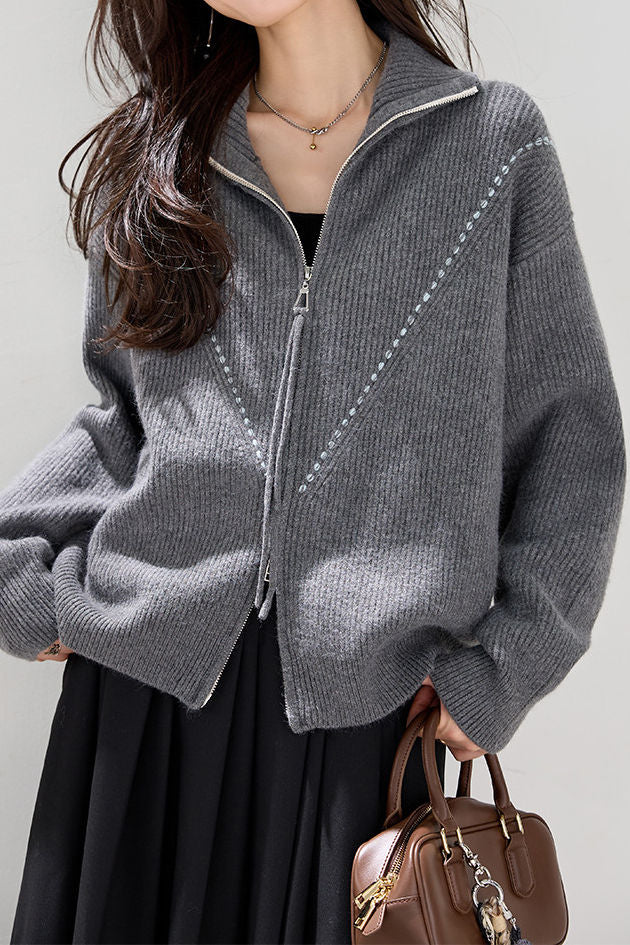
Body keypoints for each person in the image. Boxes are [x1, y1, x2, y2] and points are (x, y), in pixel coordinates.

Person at [3, 0, 625, 942]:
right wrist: (21, 573)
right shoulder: (164, 148)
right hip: (143, 717)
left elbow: (574, 444)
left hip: (365, 739)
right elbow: (124, 416)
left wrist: (504, 669)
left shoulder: (491, 147)